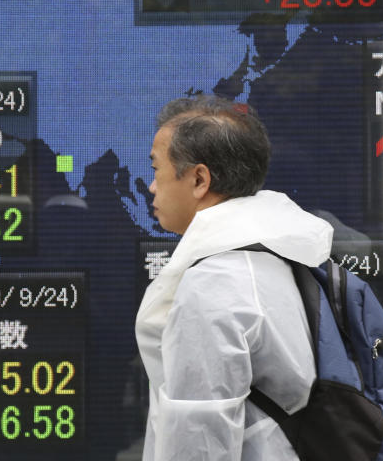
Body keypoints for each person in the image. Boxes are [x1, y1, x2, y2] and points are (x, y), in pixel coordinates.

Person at [135, 95, 333, 461]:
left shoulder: (214, 284)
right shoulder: (279, 254)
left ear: (198, 179)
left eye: (157, 169)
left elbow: (199, 436)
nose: (151, 186)